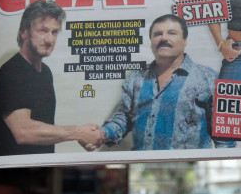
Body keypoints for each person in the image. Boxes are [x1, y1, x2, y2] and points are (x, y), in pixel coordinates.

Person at [82, 15, 230, 151]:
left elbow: (224, 135)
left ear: (185, 40)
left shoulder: (208, 78)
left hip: (189, 169)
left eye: (171, 33)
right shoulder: (135, 79)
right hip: (142, 168)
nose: (163, 38)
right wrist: (102, 134)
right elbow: (124, 119)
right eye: (157, 34)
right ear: (151, 42)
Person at [0, 0, 103, 156]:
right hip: (13, 174)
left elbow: (44, 130)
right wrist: (77, 133)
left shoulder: (45, 72)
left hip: (41, 171)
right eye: (43, 31)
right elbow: (24, 132)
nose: (50, 40)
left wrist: (85, 137)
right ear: (24, 32)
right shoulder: (12, 71)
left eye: (54, 32)